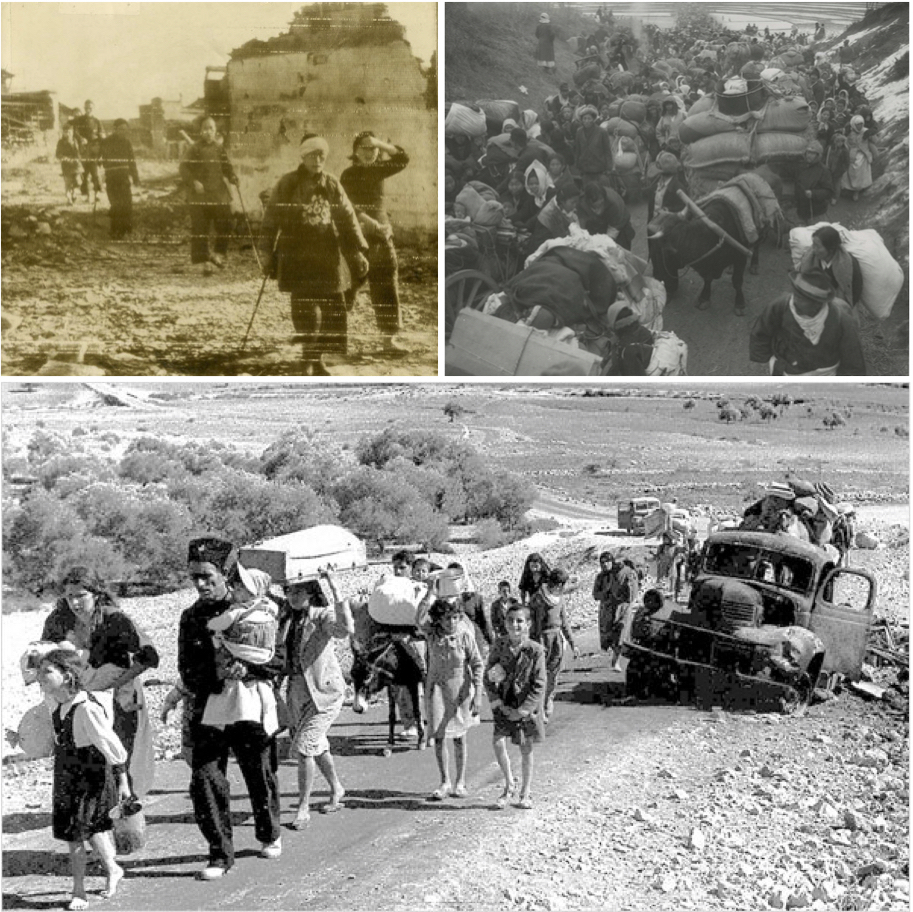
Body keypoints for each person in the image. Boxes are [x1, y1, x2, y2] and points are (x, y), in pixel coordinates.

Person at [178, 538, 281, 880]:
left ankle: (269, 833)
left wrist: (249, 669)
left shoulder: (263, 608)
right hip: (209, 708)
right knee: (205, 779)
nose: (201, 584)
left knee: (259, 773)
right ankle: (219, 854)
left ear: (226, 574)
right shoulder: (191, 617)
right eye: (194, 577)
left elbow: (278, 659)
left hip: (251, 706)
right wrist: (216, 674)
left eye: (207, 576)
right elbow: (187, 669)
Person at [41, 566, 158, 797]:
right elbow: (46, 655)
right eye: (69, 596)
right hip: (78, 698)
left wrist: (115, 685)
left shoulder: (115, 619)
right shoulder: (58, 621)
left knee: (121, 751)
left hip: (120, 693)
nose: (75, 603)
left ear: (95, 593)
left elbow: (149, 656)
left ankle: (127, 813)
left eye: (81, 596)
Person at [260, 133, 369, 376]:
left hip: (326, 255)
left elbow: (348, 219)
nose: (317, 159)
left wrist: (359, 251)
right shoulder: (287, 184)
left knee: (332, 310)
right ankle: (307, 359)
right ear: (303, 156)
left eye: (321, 155)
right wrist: (266, 254)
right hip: (296, 255)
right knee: (306, 311)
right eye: (312, 154)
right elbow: (271, 220)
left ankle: (318, 359)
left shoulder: (331, 184)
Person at [38, 648, 131, 912]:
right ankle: (113, 869)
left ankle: (79, 890)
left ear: (67, 676)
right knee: (85, 830)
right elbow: (53, 742)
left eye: (47, 672)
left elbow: (112, 747)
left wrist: (123, 783)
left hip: (90, 777)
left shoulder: (87, 709)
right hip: (66, 774)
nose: (39, 677)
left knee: (77, 834)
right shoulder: (56, 705)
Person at [281, 570, 353, 829]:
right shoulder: (288, 619)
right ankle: (337, 787)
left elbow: (344, 629)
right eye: (289, 591)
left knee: (303, 747)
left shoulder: (322, 616)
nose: (292, 596)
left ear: (311, 593)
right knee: (316, 746)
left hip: (325, 692)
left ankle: (303, 807)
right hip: (298, 691)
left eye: (298, 591)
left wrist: (335, 588)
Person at [340, 131, 411, 355]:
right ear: (355, 151)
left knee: (386, 284)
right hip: (355, 234)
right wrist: (367, 221)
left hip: (381, 236)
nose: (369, 152)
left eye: (372, 149)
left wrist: (380, 142)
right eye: (363, 148)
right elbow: (347, 204)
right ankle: (332, 338)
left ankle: (388, 341)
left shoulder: (380, 171)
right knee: (348, 285)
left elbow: (402, 159)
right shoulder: (348, 175)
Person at [416, 597, 483, 801]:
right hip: (437, 689)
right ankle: (444, 781)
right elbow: (419, 619)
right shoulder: (432, 635)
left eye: (455, 617)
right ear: (438, 620)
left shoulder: (465, 636)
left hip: (460, 690)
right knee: (438, 736)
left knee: (459, 737)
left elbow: (477, 664)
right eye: (446, 619)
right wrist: (428, 593)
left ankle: (460, 782)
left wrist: (478, 694)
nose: (451, 622)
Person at [484, 603, 547, 811]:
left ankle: (525, 792)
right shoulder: (499, 646)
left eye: (520, 621)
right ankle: (509, 783)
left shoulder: (535, 650)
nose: (515, 625)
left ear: (528, 624)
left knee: (525, 748)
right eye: (510, 620)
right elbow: (488, 676)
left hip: (524, 707)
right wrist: (496, 701)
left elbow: (539, 683)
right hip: (503, 704)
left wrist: (524, 709)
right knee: (497, 742)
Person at [749, 269, 866, 376]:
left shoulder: (841, 319)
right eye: (795, 294)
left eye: (801, 298)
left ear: (816, 303)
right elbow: (761, 333)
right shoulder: (781, 305)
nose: (794, 299)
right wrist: (764, 360)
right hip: (786, 372)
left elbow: (853, 361)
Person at [179, 118, 240, 276]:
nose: (208, 132)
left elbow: (227, 167)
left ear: (215, 131)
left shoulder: (219, 148)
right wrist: (194, 182)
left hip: (218, 194)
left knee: (227, 222)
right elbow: (184, 168)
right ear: (200, 131)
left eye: (211, 128)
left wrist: (232, 176)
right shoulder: (194, 148)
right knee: (201, 228)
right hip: (200, 196)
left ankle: (218, 254)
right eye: (205, 128)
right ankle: (205, 263)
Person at [529, 568, 579, 722]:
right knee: (541, 676)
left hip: (557, 640)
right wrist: (534, 644)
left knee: (554, 674)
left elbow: (564, 622)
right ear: (558, 584)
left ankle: (548, 698)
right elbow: (533, 623)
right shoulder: (538, 598)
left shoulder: (560, 598)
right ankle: (540, 708)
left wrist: (572, 644)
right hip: (542, 640)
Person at [798, 225, 863, 309]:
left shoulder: (849, 265)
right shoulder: (809, 259)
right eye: (813, 245)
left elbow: (854, 292)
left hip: (839, 303)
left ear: (831, 249)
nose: (813, 249)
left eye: (818, 246)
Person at [100, 119, 140, 239]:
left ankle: (126, 229)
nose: (123, 132)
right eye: (121, 129)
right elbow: (98, 158)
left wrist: (135, 177)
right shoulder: (106, 142)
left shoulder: (127, 143)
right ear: (115, 129)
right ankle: (115, 231)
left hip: (123, 177)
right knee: (116, 204)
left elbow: (132, 161)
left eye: (125, 130)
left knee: (127, 203)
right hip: (111, 178)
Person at [577, 182, 635, 250]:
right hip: (599, 227)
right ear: (589, 201)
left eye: (602, 199)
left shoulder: (613, 203)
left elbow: (614, 228)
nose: (601, 201)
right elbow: (582, 226)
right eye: (598, 202)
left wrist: (605, 245)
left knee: (619, 252)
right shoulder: (582, 203)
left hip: (619, 226)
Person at [795, 141, 833, 226]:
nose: (809, 155)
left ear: (818, 156)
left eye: (812, 153)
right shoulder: (801, 166)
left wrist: (813, 194)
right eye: (808, 152)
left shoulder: (824, 170)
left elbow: (828, 192)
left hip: (816, 212)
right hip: (802, 210)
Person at [574, 106, 614, 186]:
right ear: (581, 120)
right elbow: (577, 150)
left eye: (589, 118)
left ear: (593, 119)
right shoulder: (579, 132)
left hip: (599, 168)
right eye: (584, 119)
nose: (586, 121)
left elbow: (607, 150)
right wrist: (577, 164)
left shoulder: (602, 132)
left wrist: (609, 167)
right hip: (585, 167)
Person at [73, 100, 104, 202]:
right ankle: (86, 195)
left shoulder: (97, 121)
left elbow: (101, 134)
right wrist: (81, 138)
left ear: (93, 109)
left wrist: (102, 138)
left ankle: (97, 193)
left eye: (90, 108)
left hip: (94, 150)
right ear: (84, 108)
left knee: (95, 173)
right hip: (84, 150)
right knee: (84, 174)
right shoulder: (79, 120)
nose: (88, 110)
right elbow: (75, 132)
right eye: (86, 108)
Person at [844, 115, 876, 202]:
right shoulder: (849, 132)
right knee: (851, 170)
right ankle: (850, 187)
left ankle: (858, 190)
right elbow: (846, 143)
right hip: (853, 153)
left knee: (861, 170)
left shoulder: (866, 131)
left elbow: (874, 140)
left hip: (863, 154)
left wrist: (871, 134)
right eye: (858, 124)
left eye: (861, 124)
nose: (860, 126)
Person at [55, 122, 82, 205]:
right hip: (66, 164)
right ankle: (69, 199)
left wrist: (78, 158)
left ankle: (74, 193)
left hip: (75, 164)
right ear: (63, 133)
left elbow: (79, 152)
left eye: (70, 132)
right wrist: (63, 157)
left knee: (78, 181)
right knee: (68, 183)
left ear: (72, 132)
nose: (68, 134)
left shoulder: (75, 140)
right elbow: (57, 154)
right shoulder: (60, 142)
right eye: (66, 132)